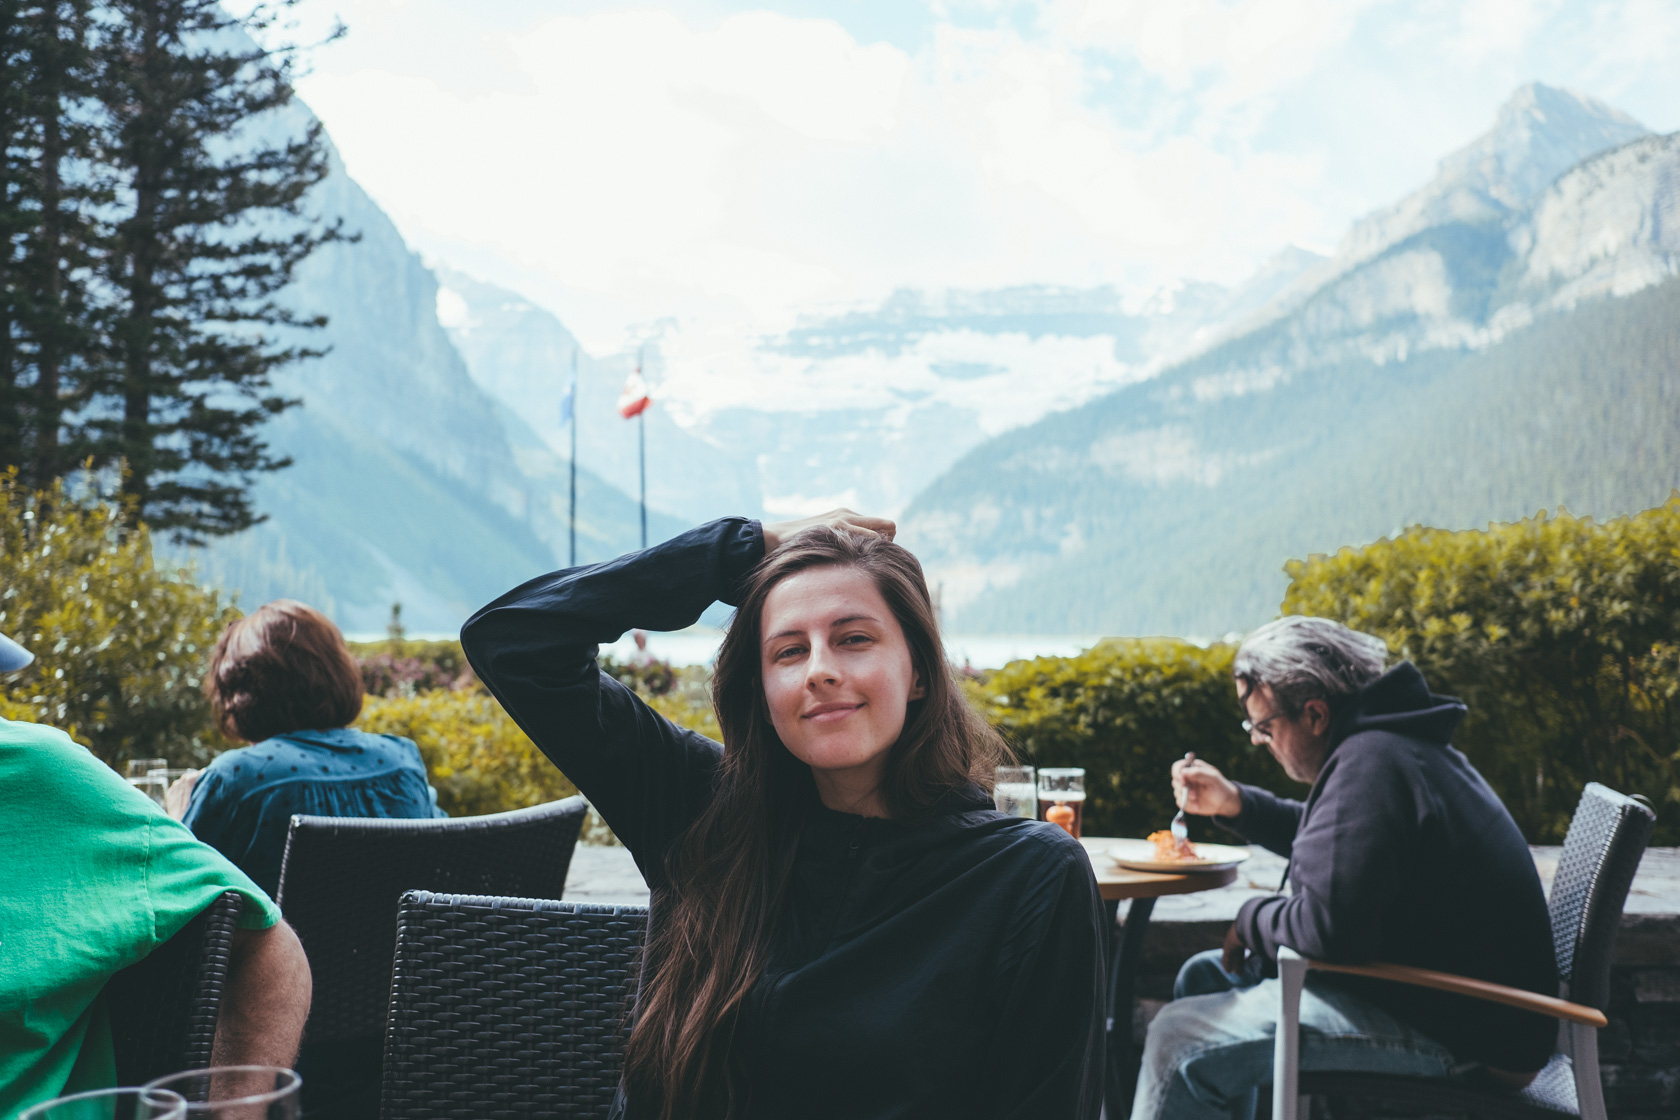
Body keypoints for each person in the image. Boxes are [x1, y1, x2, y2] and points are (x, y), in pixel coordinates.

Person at [462, 511, 1107, 1120]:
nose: (820, 671)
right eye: (789, 651)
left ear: (917, 672)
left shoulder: (1026, 873)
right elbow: (515, 639)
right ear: (761, 688)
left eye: (854, 639)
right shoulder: (699, 807)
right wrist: (743, 548)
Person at [1134, 616, 1557, 1120]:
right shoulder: (1388, 746)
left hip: (1463, 1035)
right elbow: (1347, 853)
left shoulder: (1372, 763)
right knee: (1205, 978)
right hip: (1456, 1005)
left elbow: (1330, 930)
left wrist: (1251, 918)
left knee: (1179, 1041)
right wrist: (1237, 804)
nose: (1256, 741)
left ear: (1314, 713)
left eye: (1264, 727)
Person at [0, 630, 312, 1118]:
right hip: (380, 1025)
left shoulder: (232, 779)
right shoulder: (401, 759)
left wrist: (179, 815)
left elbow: (234, 904)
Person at [171, 599, 445, 898]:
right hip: (402, 946)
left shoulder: (239, 778)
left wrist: (177, 823)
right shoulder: (402, 760)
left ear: (237, 688)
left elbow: (174, 896)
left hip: (288, 947)